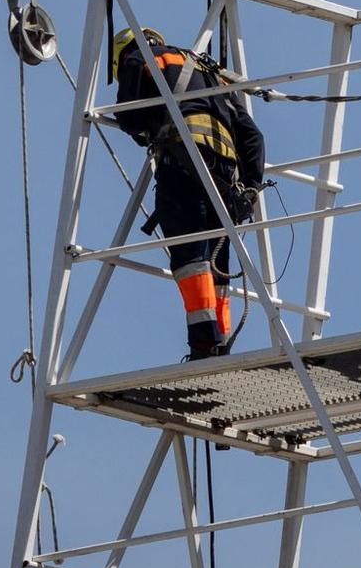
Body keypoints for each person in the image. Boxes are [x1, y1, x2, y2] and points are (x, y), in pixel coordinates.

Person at [109, 26, 266, 358]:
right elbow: (251, 135)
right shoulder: (208, 71)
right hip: (225, 172)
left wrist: (145, 130)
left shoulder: (140, 58)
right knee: (216, 262)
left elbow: (128, 116)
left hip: (183, 160)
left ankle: (204, 341)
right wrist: (250, 188)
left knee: (190, 255)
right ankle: (219, 343)